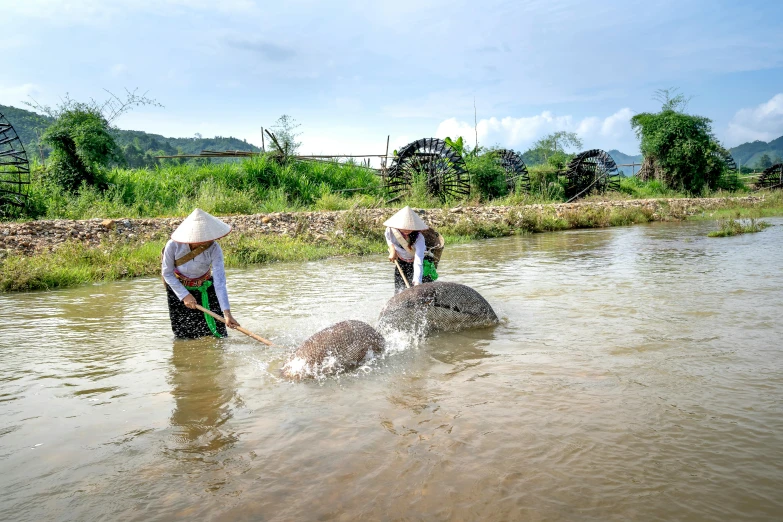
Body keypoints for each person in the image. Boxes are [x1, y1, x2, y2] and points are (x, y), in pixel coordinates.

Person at [161, 208, 239, 339]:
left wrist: (227, 313)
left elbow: (220, 282)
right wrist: (185, 295)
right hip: (179, 288)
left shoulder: (214, 248)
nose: (207, 240)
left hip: (206, 287)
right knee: (184, 334)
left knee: (219, 334)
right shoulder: (173, 246)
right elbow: (167, 273)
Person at [384, 206, 438, 294]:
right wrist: (392, 250)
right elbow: (389, 240)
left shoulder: (419, 238)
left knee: (424, 293)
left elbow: (418, 261)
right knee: (399, 291)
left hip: (420, 263)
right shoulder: (390, 231)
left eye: (409, 227)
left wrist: (417, 283)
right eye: (403, 227)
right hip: (401, 261)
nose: (406, 230)